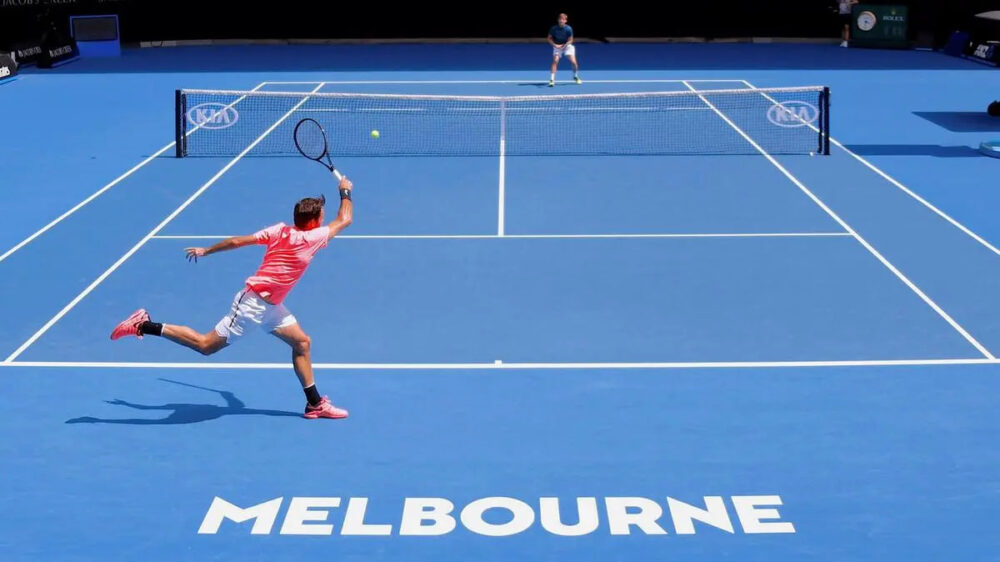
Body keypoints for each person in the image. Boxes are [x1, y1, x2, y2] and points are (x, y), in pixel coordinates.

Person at [109, 177, 356, 420]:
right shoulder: (311, 239)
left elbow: (237, 241)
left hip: (272, 306)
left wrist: (207, 250)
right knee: (206, 346)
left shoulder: (279, 230)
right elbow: (345, 219)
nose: (323, 219)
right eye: (321, 216)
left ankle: (314, 404)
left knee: (302, 343)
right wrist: (344, 191)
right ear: (314, 222)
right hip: (252, 306)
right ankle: (143, 324)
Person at [548, 13, 581, 87]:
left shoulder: (568, 29)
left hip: (567, 46)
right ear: (558, 20)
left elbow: (571, 40)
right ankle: (552, 80)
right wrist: (555, 45)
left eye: (563, 19)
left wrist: (565, 45)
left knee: (573, 62)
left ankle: (575, 76)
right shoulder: (553, 28)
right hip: (557, 46)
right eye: (560, 19)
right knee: (555, 61)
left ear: (565, 21)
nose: (561, 21)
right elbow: (549, 38)